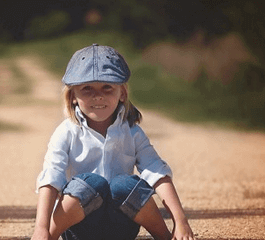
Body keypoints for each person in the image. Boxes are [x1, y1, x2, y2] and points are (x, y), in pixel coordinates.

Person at [31, 43, 194, 240]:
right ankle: (49, 237)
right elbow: (51, 177)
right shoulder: (65, 132)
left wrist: (181, 221)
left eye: (107, 87)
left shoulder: (133, 132)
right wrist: (41, 228)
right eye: (87, 88)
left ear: (122, 93)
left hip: (121, 229)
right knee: (92, 183)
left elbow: (157, 173)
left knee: (124, 185)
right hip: (78, 230)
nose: (98, 95)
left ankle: (166, 237)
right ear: (73, 95)